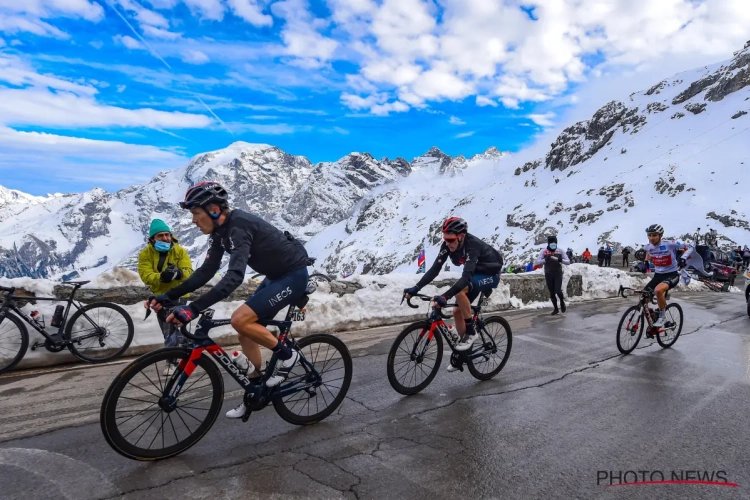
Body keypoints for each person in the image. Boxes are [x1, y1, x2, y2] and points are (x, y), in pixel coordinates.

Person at [148, 181, 310, 419]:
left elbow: (235, 276)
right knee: (246, 331)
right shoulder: (219, 232)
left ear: (214, 210)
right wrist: (170, 295)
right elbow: (206, 271)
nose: (193, 220)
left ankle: (288, 355)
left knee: (240, 320)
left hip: (293, 275)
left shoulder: (238, 226)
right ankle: (255, 388)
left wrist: (193, 308)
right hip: (275, 277)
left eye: (195, 213)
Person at [403, 217, 503, 368]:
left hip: (490, 273)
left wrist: (445, 296)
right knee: (457, 311)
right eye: (445, 239)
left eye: (450, 240)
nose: (447, 243)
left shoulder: (472, 246)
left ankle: (471, 331)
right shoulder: (447, 245)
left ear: (461, 236)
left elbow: (466, 277)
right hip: (476, 271)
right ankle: (464, 353)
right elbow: (435, 270)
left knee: (460, 292)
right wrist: (416, 288)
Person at [138, 219, 193, 358]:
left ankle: (173, 360)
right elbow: (146, 276)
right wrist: (162, 277)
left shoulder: (180, 251)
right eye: (160, 235)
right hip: (160, 297)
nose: (165, 238)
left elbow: (189, 271)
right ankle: (186, 351)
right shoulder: (145, 254)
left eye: (167, 235)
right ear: (152, 238)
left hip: (179, 295)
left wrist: (178, 274)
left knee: (172, 328)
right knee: (168, 328)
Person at [643, 224, 693, 328]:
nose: (651, 238)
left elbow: (691, 245)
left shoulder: (669, 244)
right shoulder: (648, 246)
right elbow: (649, 251)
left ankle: (662, 317)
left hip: (672, 275)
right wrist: (646, 262)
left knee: (658, 290)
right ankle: (653, 316)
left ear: (660, 235)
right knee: (643, 298)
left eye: (654, 235)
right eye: (649, 235)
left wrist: (684, 257)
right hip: (658, 276)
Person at [535, 235, 570, 315]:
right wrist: (545, 260)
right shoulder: (544, 251)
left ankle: (561, 302)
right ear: (548, 243)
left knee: (558, 290)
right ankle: (555, 308)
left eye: (555, 243)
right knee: (552, 292)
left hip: (558, 273)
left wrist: (561, 260)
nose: (553, 244)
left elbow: (568, 261)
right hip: (548, 273)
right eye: (551, 243)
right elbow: (537, 262)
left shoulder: (560, 251)